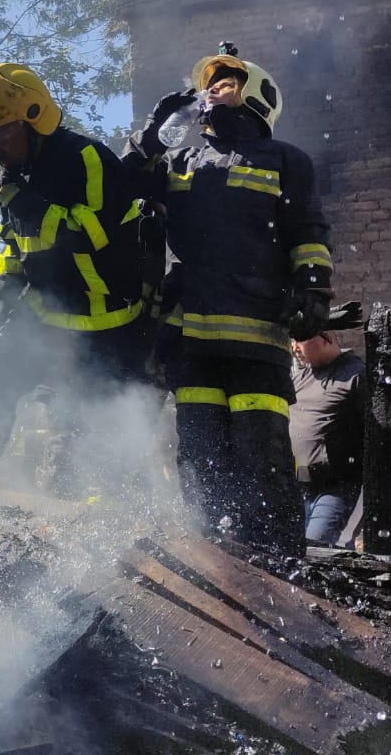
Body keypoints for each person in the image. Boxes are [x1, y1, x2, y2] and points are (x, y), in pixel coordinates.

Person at [123, 44, 333, 553]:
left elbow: (308, 229)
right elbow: (122, 183)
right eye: (210, 83)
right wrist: (150, 136)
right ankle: (215, 564)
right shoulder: (179, 160)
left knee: (262, 456)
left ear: (258, 96)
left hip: (256, 338)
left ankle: (282, 566)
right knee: (200, 461)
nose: (213, 91)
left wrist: (312, 287)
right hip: (192, 340)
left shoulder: (286, 160)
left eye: (227, 83)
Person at [0, 62, 146, 490]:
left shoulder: (88, 159)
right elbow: (12, 243)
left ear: (34, 119)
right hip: (43, 313)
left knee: (91, 428)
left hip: (105, 323)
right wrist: (3, 288)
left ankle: (103, 519)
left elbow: (94, 234)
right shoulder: (12, 176)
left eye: (0, 135)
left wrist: (30, 206)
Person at [291, 331, 365, 545]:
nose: (295, 348)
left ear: (327, 338)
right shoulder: (299, 378)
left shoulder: (357, 375)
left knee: (322, 548)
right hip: (301, 488)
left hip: (340, 489)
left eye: (300, 340)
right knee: (296, 552)